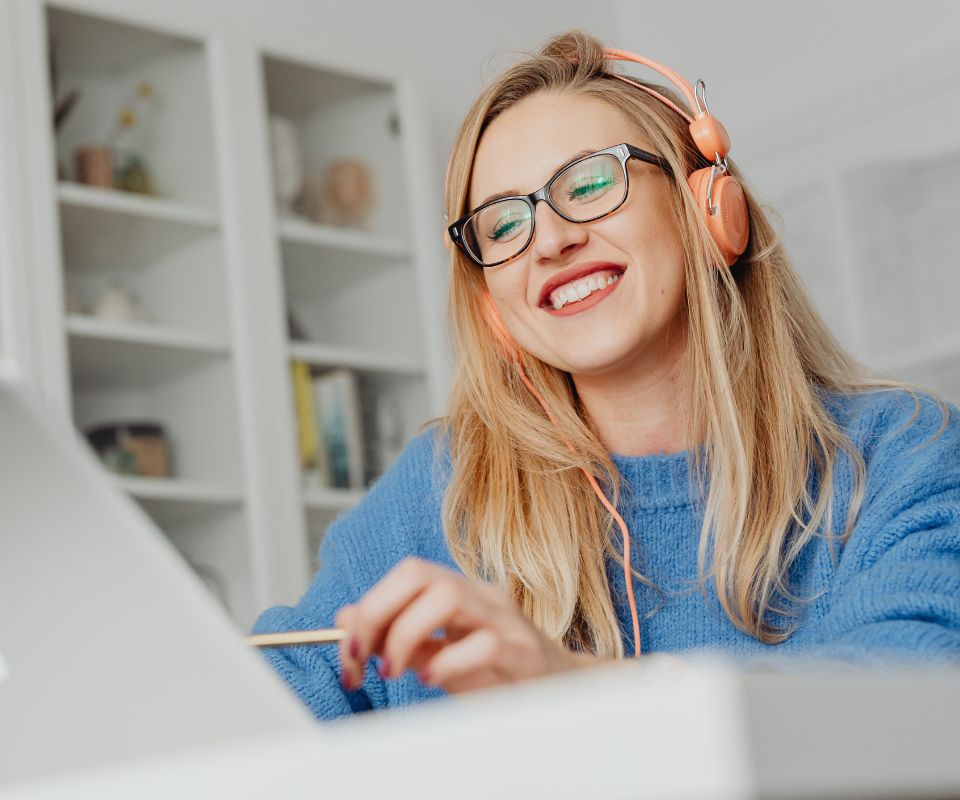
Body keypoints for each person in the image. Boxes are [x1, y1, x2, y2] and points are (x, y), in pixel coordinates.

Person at [251, 30, 960, 722]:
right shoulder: (438, 491)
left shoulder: (904, 455)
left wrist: (571, 683)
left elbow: (915, 694)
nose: (551, 240)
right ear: (494, 307)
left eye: (591, 182)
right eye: (502, 227)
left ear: (708, 208)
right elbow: (268, 700)